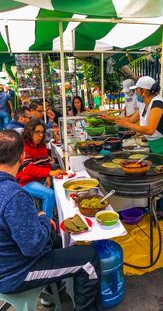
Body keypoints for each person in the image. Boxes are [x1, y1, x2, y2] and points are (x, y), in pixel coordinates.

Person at [0, 130, 101, 311]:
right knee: (89, 258)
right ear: (23, 156)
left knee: (56, 239)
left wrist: (38, 220)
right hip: (14, 274)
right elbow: (33, 246)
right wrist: (45, 220)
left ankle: (54, 291)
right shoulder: (13, 194)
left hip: (7, 261)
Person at [115, 76, 163, 190]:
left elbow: (150, 129)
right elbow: (129, 120)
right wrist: (109, 119)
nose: (136, 93)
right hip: (157, 146)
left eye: (137, 90)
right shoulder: (145, 104)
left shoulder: (157, 103)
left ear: (144, 91)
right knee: (162, 179)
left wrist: (130, 126)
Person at [16, 119, 64, 218]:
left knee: (60, 188)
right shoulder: (23, 147)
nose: (41, 135)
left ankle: (54, 214)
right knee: (49, 194)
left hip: (39, 179)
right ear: (29, 132)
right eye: (37, 132)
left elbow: (46, 162)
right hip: (25, 182)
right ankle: (47, 224)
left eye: (42, 132)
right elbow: (28, 169)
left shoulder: (41, 145)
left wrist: (47, 176)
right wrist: (49, 173)